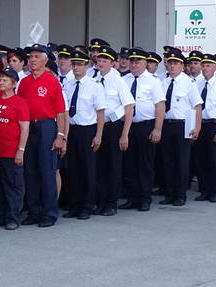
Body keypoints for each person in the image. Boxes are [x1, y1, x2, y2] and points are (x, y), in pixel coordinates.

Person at [17, 43, 67, 226]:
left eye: (37, 57)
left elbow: (60, 112)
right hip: (29, 127)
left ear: (45, 61)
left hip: (46, 126)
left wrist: (60, 135)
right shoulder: (24, 82)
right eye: (31, 57)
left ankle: (49, 212)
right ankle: (34, 211)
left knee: (47, 171)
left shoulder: (52, 81)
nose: (32, 60)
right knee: (30, 170)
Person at [60, 47, 105, 220]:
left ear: (86, 66)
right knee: (72, 169)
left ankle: (87, 205)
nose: (76, 68)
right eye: (74, 64)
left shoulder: (95, 85)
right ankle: (74, 205)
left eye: (79, 64)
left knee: (87, 169)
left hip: (87, 130)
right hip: (72, 129)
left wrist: (98, 135)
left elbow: (100, 112)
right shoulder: (68, 85)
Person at [121, 48, 165, 211]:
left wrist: (157, 129)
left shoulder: (153, 81)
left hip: (146, 125)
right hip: (128, 126)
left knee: (145, 163)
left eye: (138, 62)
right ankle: (133, 197)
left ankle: (145, 198)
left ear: (145, 63)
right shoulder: (124, 80)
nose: (134, 65)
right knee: (130, 163)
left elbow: (160, 106)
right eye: (132, 61)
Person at [91, 43, 132, 216]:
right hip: (97, 126)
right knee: (99, 165)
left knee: (113, 166)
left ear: (112, 63)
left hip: (113, 127)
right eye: (99, 60)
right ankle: (100, 201)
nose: (101, 63)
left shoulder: (118, 81)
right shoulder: (93, 79)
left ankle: (111, 203)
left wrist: (124, 134)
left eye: (105, 61)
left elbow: (129, 107)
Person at [159, 51, 201, 207]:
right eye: (170, 63)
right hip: (166, 124)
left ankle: (180, 194)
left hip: (182, 125)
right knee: (167, 160)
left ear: (182, 66)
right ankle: (170, 193)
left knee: (181, 161)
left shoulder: (188, 83)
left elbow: (197, 106)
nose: (172, 66)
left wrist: (197, 127)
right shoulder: (163, 82)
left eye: (176, 63)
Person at [0, 68, 29, 229]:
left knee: (13, 185)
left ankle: (12, 217)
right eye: (0, 80)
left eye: (5, 80)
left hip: (11, 150)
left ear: (13, 84)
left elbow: (25, 129)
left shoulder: (20, 102)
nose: (1, 82)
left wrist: (21, 150)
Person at [193, 54, 216, 203]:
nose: (205, 68)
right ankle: (204, 190)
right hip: (200, 124)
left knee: (215, 160)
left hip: (214, 124)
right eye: (203, 65)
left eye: (208, 65)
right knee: (200, 159)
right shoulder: (197, 84)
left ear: (215, 67)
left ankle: (215, 191)